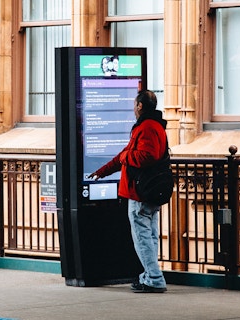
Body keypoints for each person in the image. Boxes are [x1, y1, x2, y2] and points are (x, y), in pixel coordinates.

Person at [88, 90, 167, 293]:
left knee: (142, 237)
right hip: (149, 191)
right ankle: (149, 275)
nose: (133, 108)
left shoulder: (147, 127)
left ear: (140, 106)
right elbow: (126, 155)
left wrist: (125, 157)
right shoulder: (153, 126)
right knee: (150, 236)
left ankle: (155, 279)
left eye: (134, 104)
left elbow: (145, 156)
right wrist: (101, 172)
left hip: (139, 192)